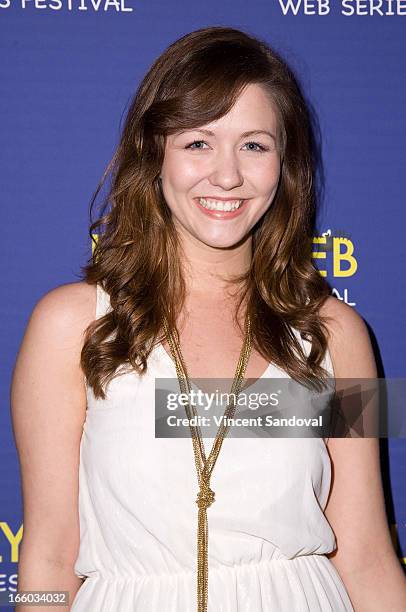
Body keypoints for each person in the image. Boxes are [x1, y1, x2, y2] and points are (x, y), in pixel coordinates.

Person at [11, 26, 406, 612]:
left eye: (254, 144)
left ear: (284, 163)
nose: (227, 175)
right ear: (154, 152)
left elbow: (367, 554)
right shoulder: (70, 325)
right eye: (198, 142)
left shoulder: (337, 333)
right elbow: (45, 556)